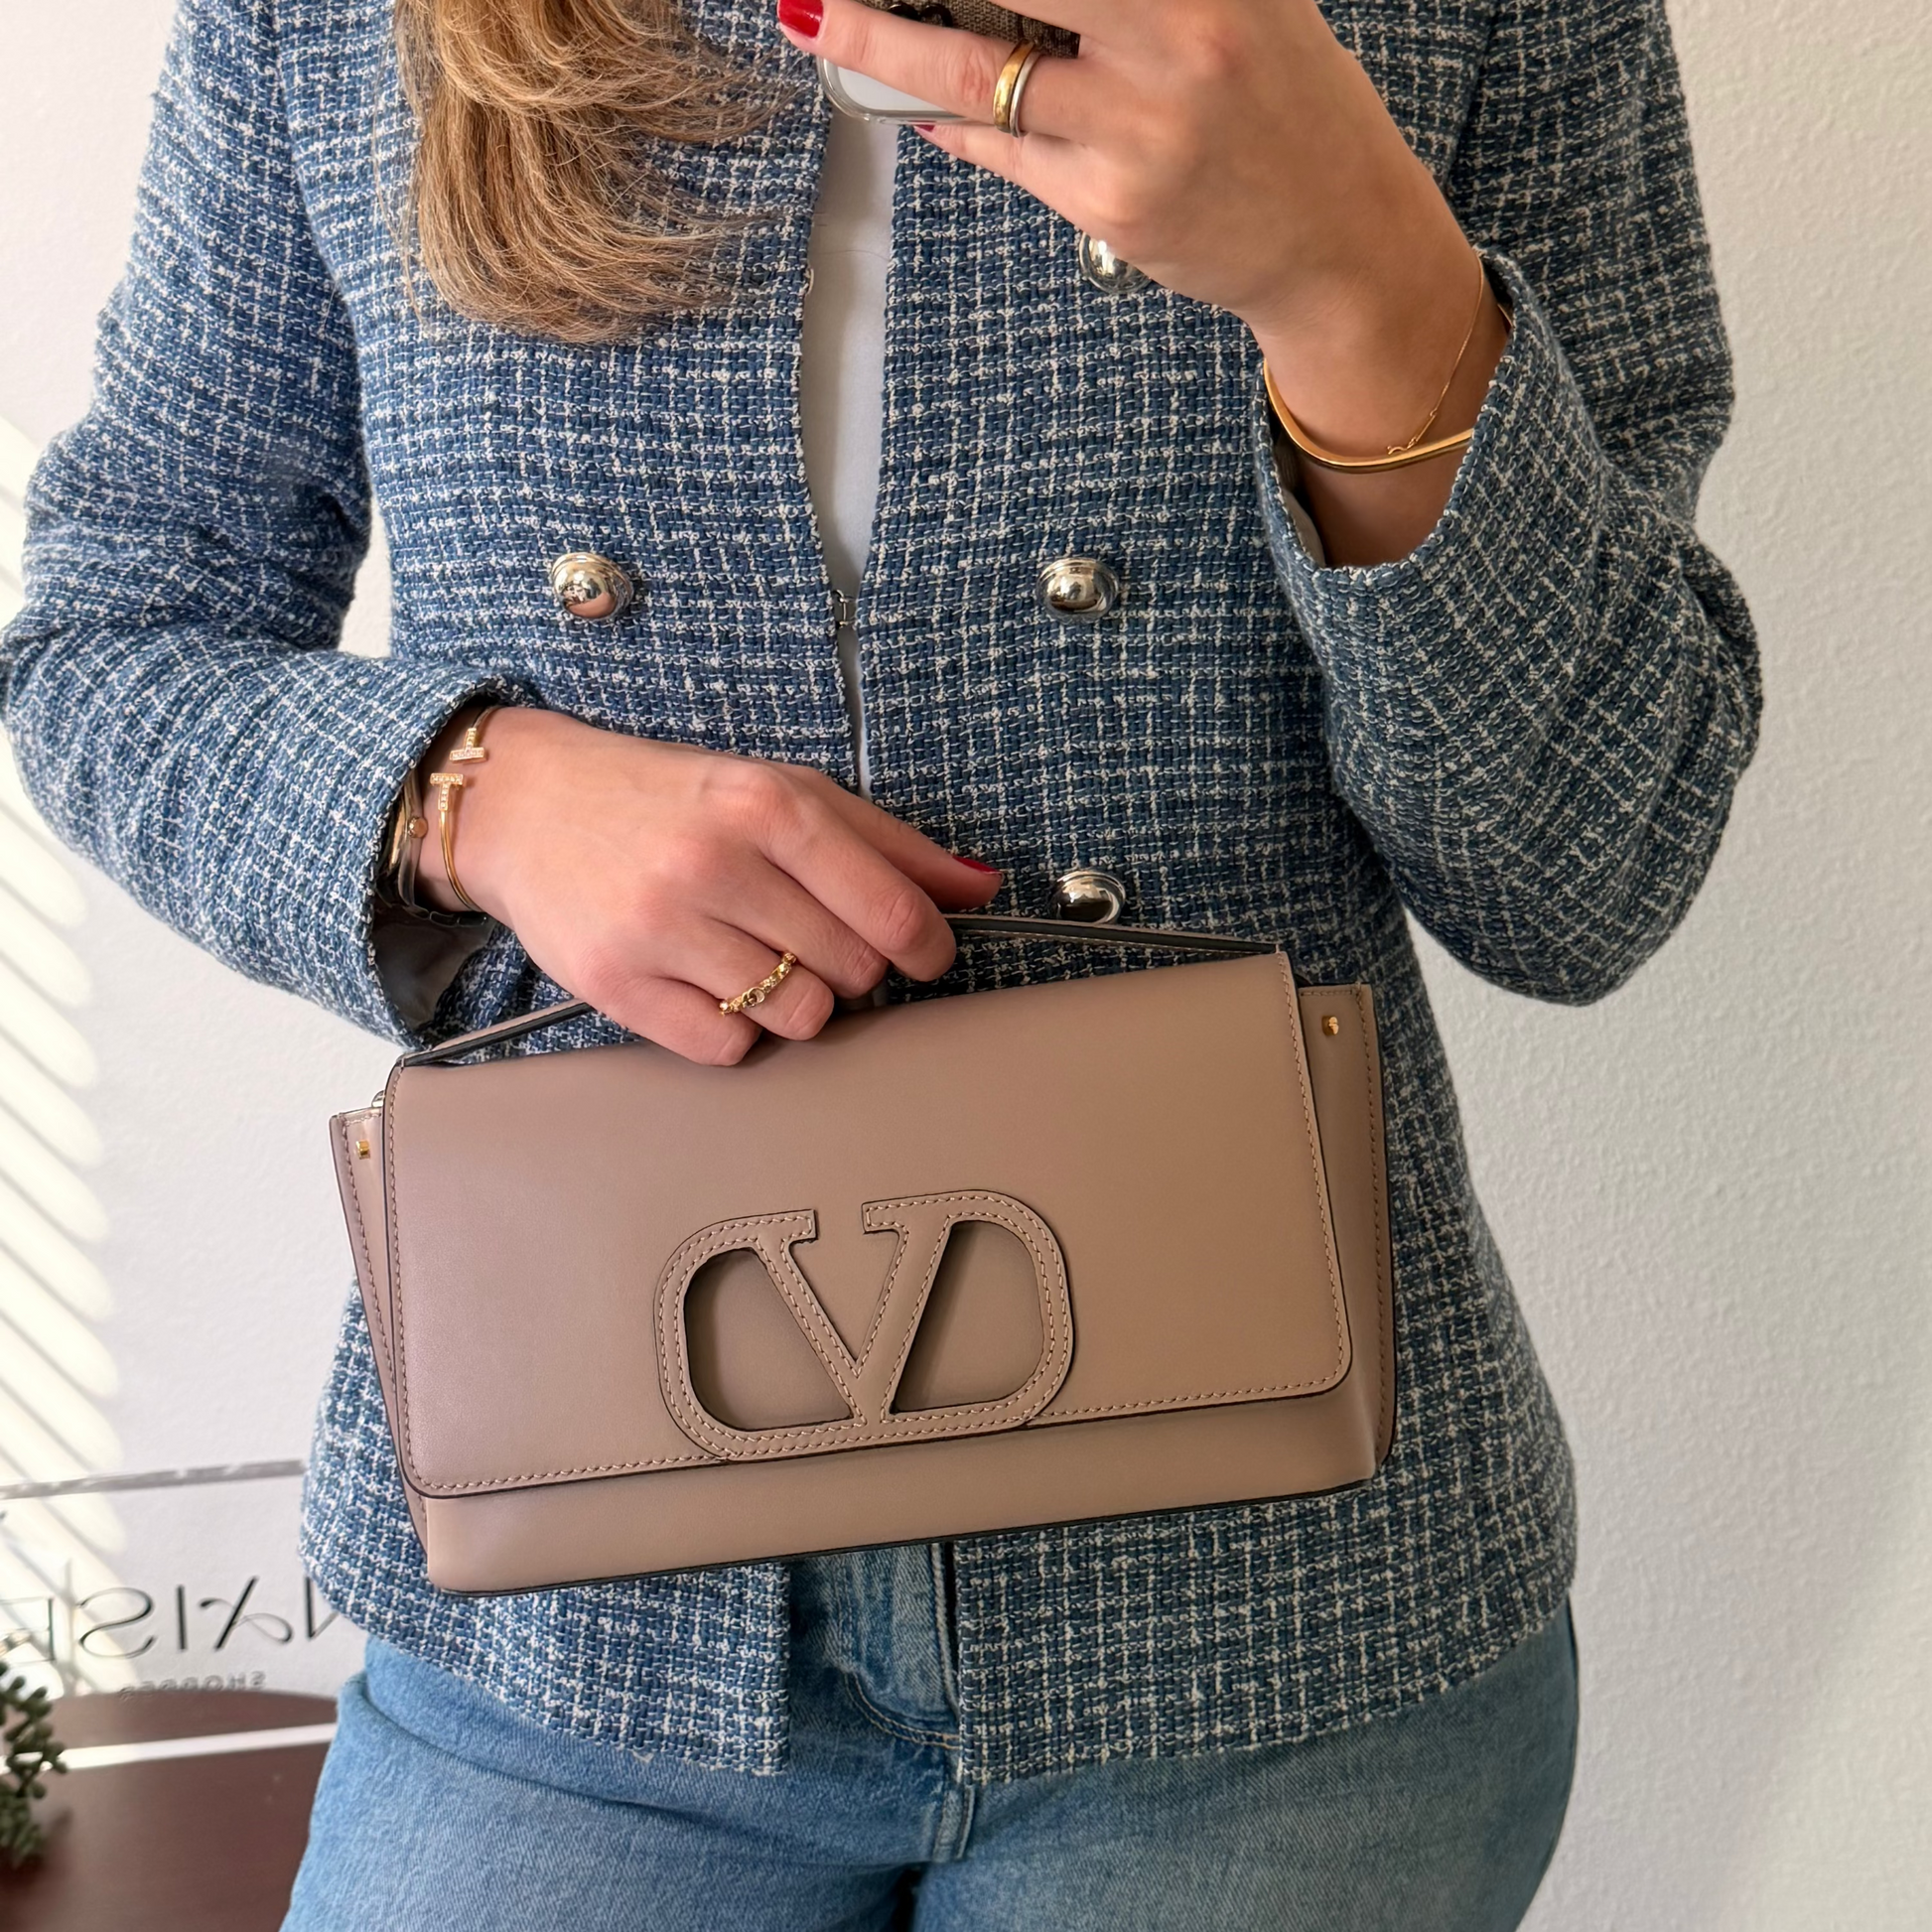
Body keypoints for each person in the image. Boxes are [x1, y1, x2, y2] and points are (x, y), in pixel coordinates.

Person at [0, 0, 1759, 1924]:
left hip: (1276, 1634)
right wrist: (474, 798)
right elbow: (115, 640)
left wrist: (1362, 283)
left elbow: (1583, 877)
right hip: (585, 1610)